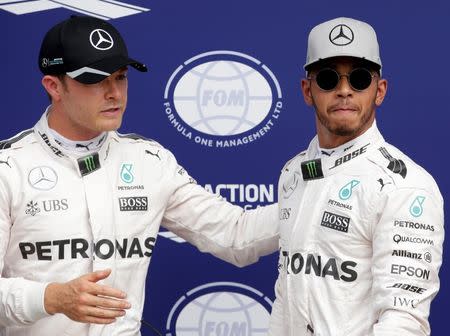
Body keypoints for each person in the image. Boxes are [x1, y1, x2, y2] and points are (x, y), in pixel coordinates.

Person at [0, 16, 279, 335]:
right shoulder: (9, 167)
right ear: (54, 86)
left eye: (120, 77)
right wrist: (50, 298)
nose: (113, 93)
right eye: (95, 80)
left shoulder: (149, 162)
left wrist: (310, 197)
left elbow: (236, 236)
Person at [269, 17, 444, 336]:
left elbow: (403, 320)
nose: (344, 90)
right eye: (328, 78)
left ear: (380, 91)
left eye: (360, 78)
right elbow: (286, 289)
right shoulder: (294, 171)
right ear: (308, 91)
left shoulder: (407, 185)